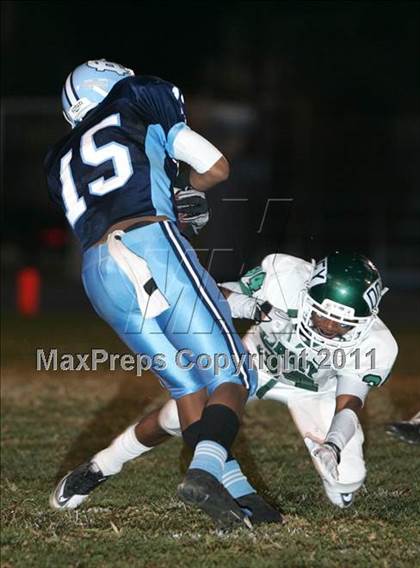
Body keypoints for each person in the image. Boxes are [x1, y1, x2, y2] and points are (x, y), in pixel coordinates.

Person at [45, 59, 272, 529]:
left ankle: (242, 496)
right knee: (233, 372)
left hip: (98, 270)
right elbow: (216, 167)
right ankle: (204, 470)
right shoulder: (138, 97)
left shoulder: (58, 158)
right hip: (149, 244)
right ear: (111, 85)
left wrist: (167, 189)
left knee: (188, 386)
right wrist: (186, 187)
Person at [56, 251, 398, 510]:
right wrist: (252, 306)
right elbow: (212, 296)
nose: (330, 328)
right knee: (176, 415)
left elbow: (349, 402)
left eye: (342, 324)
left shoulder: (377, 344)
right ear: (307, 292)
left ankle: (335, 466)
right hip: (254, 363)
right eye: (323, 315)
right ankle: (102, 465)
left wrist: (333, 444)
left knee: (346, 483)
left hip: (315, 390)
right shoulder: (285, 278)